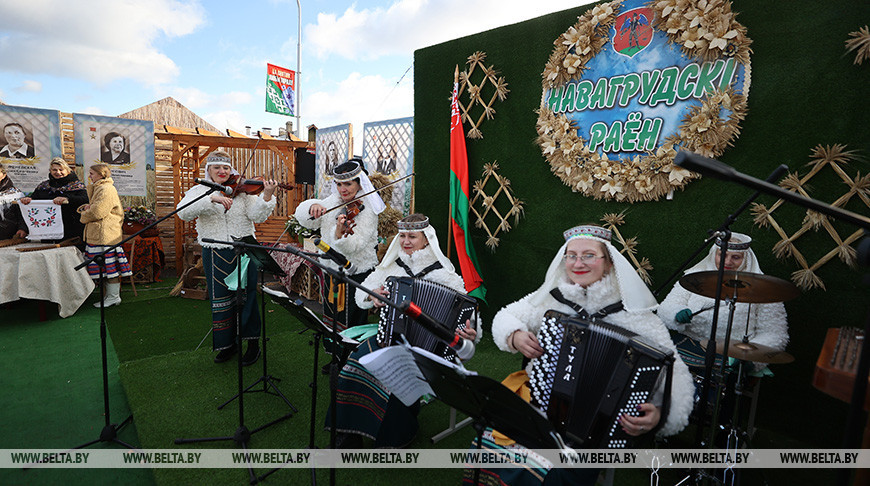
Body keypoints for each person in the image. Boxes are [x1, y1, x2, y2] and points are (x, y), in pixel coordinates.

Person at [479, 224, 694, 486]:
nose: (578, 263)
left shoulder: (635, 314)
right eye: (571, 255)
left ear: (609, 263)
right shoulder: (553, 298)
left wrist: (662, 413)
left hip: (599, 426)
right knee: (487, 445)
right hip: (539, 405)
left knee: (556, 475)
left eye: (589, 255)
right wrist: (514, 335)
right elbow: (507, 315)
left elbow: (677, 374)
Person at [325, 214, 481, 448]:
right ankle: (349, 432)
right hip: (388, 337)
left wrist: (471, 331)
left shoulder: (444, 274)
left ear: (426, 239)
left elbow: (468, 315)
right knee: (353, 366)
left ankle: (397, 434)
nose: (406, 241)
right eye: (403, 236)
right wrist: (372, 295)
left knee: (397, 375)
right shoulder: (392, 265)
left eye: (412, 237)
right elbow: (362, 293)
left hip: (427, 350)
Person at [177, 150, 278, 365]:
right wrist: (210, 199)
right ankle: (228, 344)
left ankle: (252, 345)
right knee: (220, 300)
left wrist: (266, 196)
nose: (222, 171)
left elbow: (257, 217)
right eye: (217, 168)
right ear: (209, 171)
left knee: (247, 299)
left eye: (226, 167)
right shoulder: (199, 190)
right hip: (214, 251)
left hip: (243, 250)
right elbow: (183, 213)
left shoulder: (243, 192)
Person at [657, 232, 789, 372]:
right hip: (686, 343)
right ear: (714, 254)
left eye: (736, 257)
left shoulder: (764, 290)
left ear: (746, 259)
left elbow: (775, 333)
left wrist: (751, 359)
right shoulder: (693, 277)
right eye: (722, 255)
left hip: (730, 356)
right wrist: (676, 313)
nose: (727, 262)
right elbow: (666, 306)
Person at [294, 158, 385, 331]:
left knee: (350, 322)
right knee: (331, 316)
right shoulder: (332, 201)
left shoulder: (369, 209)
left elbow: (355, 245)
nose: (342, 189)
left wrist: (339, 235)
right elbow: (307, 221)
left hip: (355, 272)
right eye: (339, 184)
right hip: (331, 270)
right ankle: (334, 354)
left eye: (348, 184)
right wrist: (312, 207)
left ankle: (348, 357)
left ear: (360, 183)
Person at [77, 163, 132, 307]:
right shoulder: (100, 188)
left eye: (92, 173)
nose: (89, 176)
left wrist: (84, 214)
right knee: (106, 269)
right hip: (100, 235)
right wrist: (88, 208)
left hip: (105, 236)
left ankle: (114, 297)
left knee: (110, 269)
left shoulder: (106, 189)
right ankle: (110, 296)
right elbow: (96, 209)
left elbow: (97, 212)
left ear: (101, 175)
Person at [19, 157, 88, 246]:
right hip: (48, 231)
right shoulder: (43, 186)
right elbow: (34, 200)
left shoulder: (77, 186)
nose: (58, 172)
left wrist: (67, 198)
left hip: (71, 229)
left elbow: (85, 200)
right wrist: (28, 200)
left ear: (67, 170)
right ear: (50, 171)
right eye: (54, 170)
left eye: (61, 169)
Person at [0, 164, 27, 240]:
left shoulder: (16, 194)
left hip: (8, 237)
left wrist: (23, 229)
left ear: (4, 175)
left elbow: (23, 214)